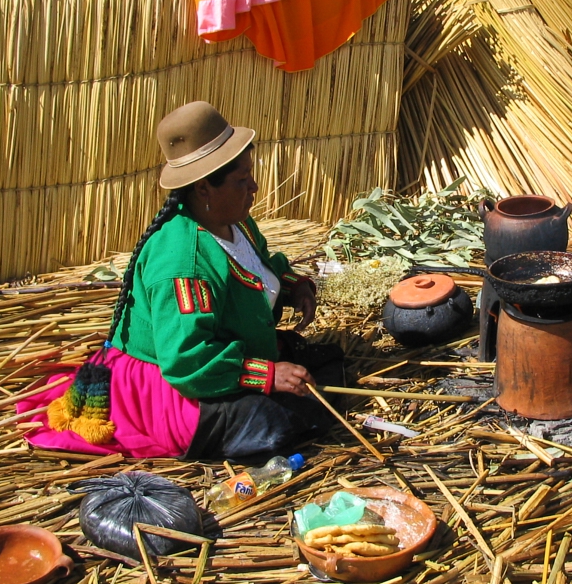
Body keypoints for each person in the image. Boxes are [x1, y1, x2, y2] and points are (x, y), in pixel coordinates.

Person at [17, 101, 343, 459]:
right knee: (282, 420)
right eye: (241, 180)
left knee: (328, 367)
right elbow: (186, 359)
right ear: (204, 188)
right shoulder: (183, 262)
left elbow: (263, 265)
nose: (254, 186)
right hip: (176, 388)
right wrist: (265, 375)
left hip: (221, 355)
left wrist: (294, 284)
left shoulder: (236, 221)